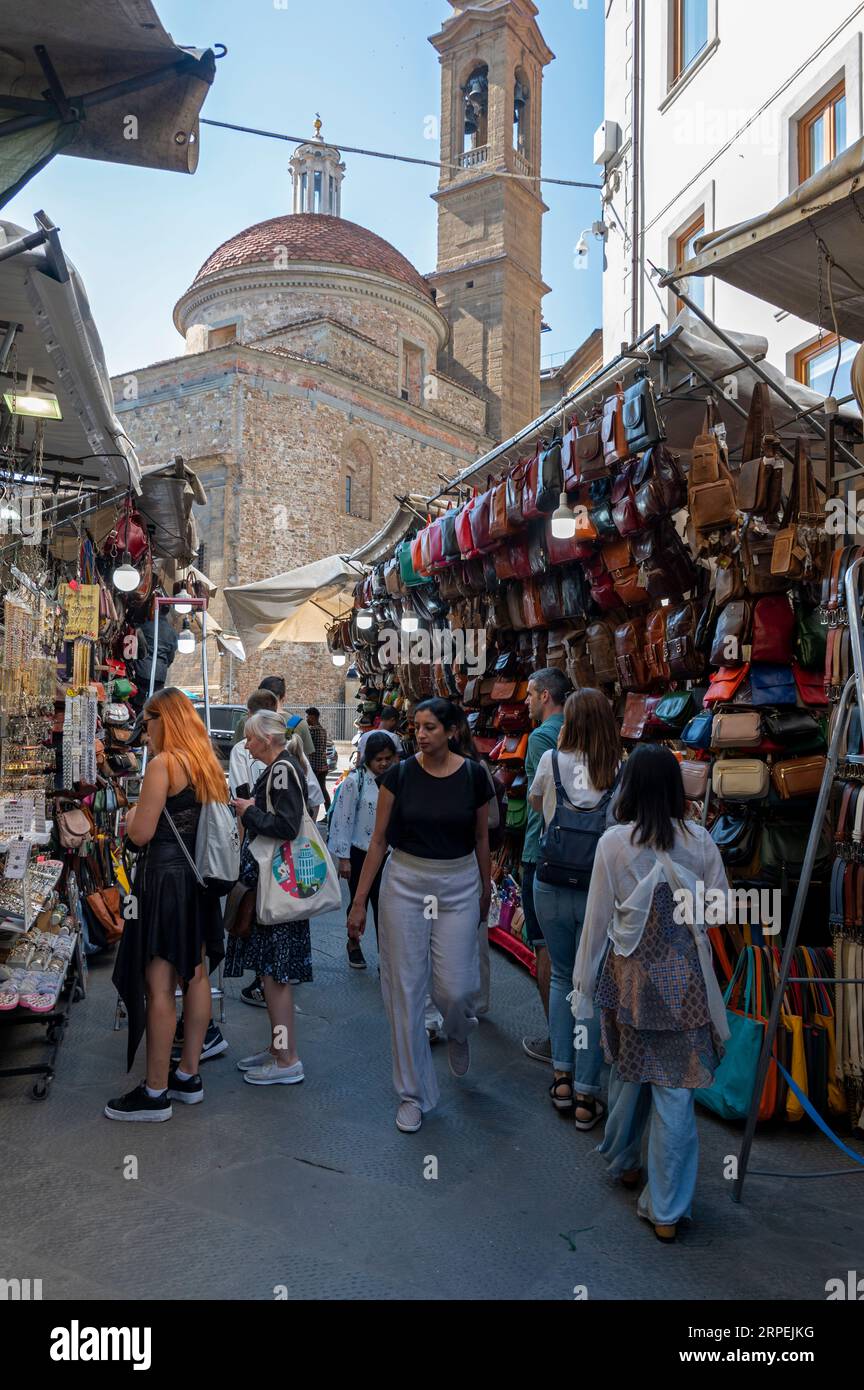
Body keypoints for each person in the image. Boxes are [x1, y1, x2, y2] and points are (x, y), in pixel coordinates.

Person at [571, 745, 731, 1243]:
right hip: (685, 988)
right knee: (675, 1094)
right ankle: (667, 1210)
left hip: (630, 984)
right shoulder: (700, 842)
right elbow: (721, 910)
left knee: (629, 1074)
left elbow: (596, 921)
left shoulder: (614, 844)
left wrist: (581, 985)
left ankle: (623, 1162)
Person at [347, 698, 494, 1133]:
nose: (421, 734)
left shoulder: (473, 775)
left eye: (430, 727)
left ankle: (458, 1029)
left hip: (459, 882)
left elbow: (482, 837)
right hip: (406, 882)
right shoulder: (400, 775)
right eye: (417, 726)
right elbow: (377, 841)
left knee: (458, 987)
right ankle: (413, 1094)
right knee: (406, 991)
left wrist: (486, 889)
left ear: (451, 731)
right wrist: (358, 902)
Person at [106, 687, 227, 1121]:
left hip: (165, 882)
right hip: (198, 883)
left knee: (159, 984)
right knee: (194, 975)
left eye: (148, 721)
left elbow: (140, 834)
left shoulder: (163, 764)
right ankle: (188, 1076)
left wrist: (132, 815)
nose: (144, 731)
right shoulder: (206, 764)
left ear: (163, 720)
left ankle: (155, 1092)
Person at [529, 688, 620, 1129]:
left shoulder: (551, 763)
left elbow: (535, 803)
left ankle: (561, 1077)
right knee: (594, 985)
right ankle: (588, 1093)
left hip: (550, 884)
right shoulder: (617, 771)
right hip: (598, 892)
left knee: (563, 976)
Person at [225, 710, 314, 1086]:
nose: (246, 744)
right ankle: (278, 1048)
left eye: (251, 738)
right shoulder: (281, 766)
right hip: (273, 886)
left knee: (276, 975)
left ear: (269, 739)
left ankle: (287, 1058)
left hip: (277, 886)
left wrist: (250, 812)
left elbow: (287, 826)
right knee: (270, 972)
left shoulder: (281, 769)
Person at [520, 668, 571, 1066]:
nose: (526, 702)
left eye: (531, 695)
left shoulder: (541, 739)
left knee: (546, 950)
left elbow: (541, 803)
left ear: (546, 697)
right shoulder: (587, 734)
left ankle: (559, 1042)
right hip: (583, 854)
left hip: (543, 853)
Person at [327, 732, 397, 970]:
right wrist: (343, 858)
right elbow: (342, 819)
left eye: (388, 758)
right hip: (359, 853)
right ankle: (354, 942)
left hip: (389, 855)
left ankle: (384, 956)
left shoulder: (396, 780)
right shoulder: (354, 781)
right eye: (379, 759)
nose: (384, 763)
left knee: (385, 906)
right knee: (360, 900)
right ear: (368, 758)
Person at [132, 602, 179, 710]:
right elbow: (171, 656)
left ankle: (139, 719)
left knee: (138, 701)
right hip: (160, 674)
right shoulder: (172, 632)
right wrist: (163, 665)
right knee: (156, 704)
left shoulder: (145, 625)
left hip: (142, 670)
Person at [305, 706, 333, 812]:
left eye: (308, 716)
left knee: (310, 791)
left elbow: (308, 747)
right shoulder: (322, 730)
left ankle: (310, 813)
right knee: (322, 790)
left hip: (315, 767)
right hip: (323, 766)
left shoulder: (313, 730)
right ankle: (329, 812)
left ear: (313, 717)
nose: (307, 719)